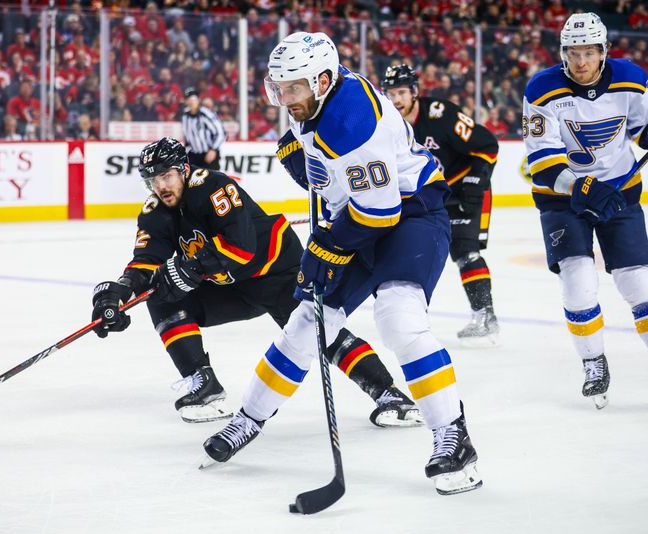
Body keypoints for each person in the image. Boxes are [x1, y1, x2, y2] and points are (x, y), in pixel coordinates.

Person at [203, 32, 482, 496]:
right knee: (306, 322)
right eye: (279, 87)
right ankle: (248, 419)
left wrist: (327, 247)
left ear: (324, 80)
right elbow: (334, 177)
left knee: (399, 318)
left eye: (292, 88)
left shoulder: (353, 124)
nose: (284, 97)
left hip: (410, 215)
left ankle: (453, 437)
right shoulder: (314, 99)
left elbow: (380, 211)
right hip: (357, 214)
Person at [91, 137, 422, 427]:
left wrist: (189, 269)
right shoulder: (155, 210)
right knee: (160, 296)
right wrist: (120, 291)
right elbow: (146, 261)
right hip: (230, 285)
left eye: (166, 176)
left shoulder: (212, 185)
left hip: (274, 274)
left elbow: (240, 247)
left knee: (320, 334)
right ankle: (203, 385)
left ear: (183, 170)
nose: (160, 186)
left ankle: (389, 393)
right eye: (153, 179)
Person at [522, 12, 648, 409]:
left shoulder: (631, 78)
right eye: (573, 53)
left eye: (589, 52)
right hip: (562, 199)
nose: (581, 62)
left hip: (619, 191)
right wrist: (583, 187)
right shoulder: (542, 89)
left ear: (603, 51)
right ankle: (593, 361)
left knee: (639, 285)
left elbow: (642, 128)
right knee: (577, 281)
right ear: (563, 53)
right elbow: (542, 162)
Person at [383, 64, 501, 345]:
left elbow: (487, 145)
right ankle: (410, 314)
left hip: (465, 189)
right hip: (432, 196)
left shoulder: (440, 114)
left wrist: (475, 182)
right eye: (390, 94)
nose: (396, 100)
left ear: (414, 92)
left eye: (401, 92)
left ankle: (485, 316)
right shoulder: (385, 123)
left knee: (465, 251)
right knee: (411, 249)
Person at [181, 87, 226, 171]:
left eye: (193, 99)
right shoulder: (185, 116)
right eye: (189, 99)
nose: (191, 102)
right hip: (194, 155)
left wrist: (213, 149)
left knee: (211, 180)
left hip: (208, 154)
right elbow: (187, 137)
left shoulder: (206, 114)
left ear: (198, 100)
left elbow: (220, 133)